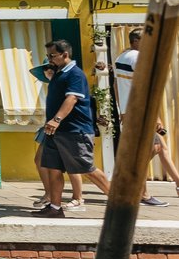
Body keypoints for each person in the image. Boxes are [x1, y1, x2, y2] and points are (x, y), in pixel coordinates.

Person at [114, 26, 178, 206]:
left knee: (161, 147)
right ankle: (142, 194)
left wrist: (122, 110)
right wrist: (156, 117)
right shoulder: (138, 58)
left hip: (131, 113)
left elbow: (116, 85)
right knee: (146, 153)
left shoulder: (121, 57)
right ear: (136, 41)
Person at [36, 39, 99, 218]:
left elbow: (72, 98)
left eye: (52, 56)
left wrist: (56, 119)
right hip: (57, 131)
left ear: (65, 55)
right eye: (47, 56)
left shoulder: (75, 74)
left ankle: (121, 206)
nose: (49, 59)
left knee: (87, 169)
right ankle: (55, 208)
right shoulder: (58, 73)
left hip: (74, 129)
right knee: (53, 168)